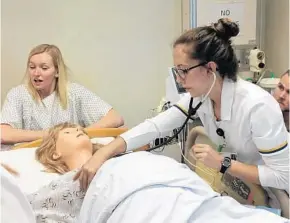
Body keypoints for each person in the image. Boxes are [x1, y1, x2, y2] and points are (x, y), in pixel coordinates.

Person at [74, 18, 289, 198]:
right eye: (177, 70)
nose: (179, 78)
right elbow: (157, 126)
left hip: (277, 196)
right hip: (246, 188)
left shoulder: (257, 106)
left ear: (210, 69)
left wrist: (223, 163)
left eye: (183, 70)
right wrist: (104, 152)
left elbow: (283, 175)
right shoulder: (202, 97)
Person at [20, 123, 288, 222]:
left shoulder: (126, 157)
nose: (78, 129)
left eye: (78, 127)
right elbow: (22, 208)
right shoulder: (69, 182)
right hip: (137, 208)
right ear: (55, 153)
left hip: (190, 196)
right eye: (67, 131)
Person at [1, 44, 124, 148]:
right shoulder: (18, 94)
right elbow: (3, 133)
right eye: (32, 67)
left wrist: (78, 134)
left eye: (44, 68)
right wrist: (52, 135)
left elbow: (115, 118)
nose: (36, 73)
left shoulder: (74, 92)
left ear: (57, 71)